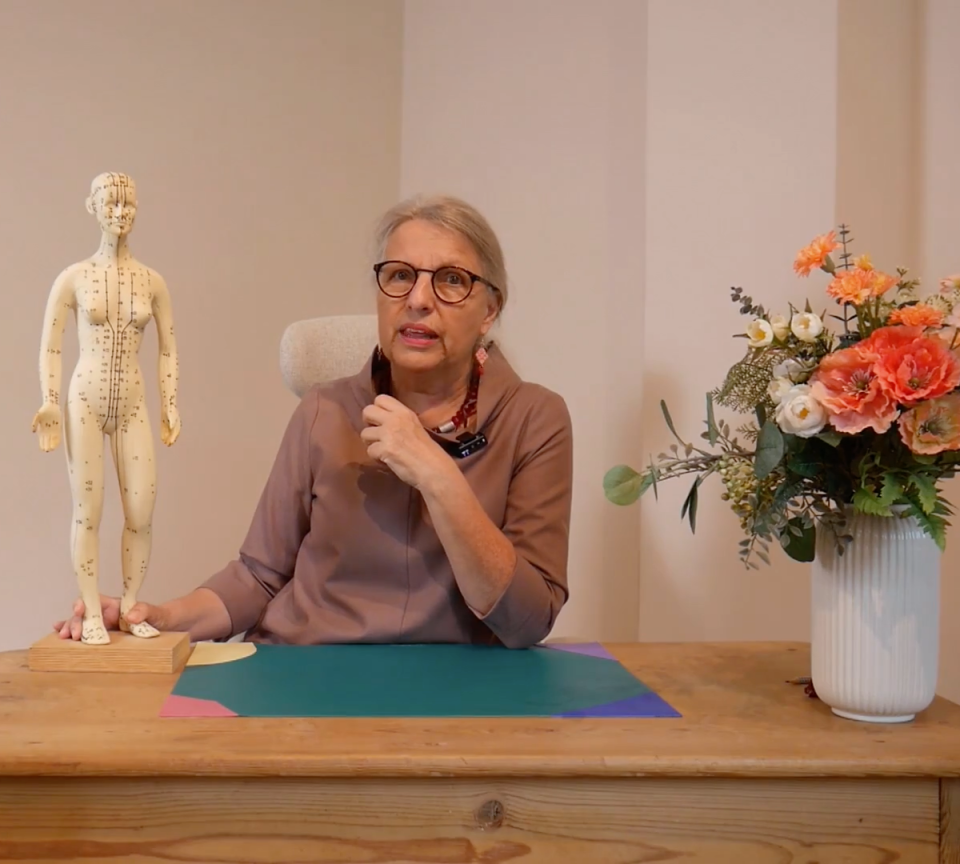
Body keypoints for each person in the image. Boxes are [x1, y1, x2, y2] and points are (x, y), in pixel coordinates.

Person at [55, 194, 573, 649]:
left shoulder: (535, 418)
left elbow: (527, 621)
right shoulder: (324, 411)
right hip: (304, 668)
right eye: (399, 276)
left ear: (489, 310)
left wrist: (437, 475)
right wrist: (158, 616)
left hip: (458, 696)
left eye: (451, 281)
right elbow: (258, 578)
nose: (418, 299)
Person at [36, 172, 181, 645]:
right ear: (92, 208)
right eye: (111, 205)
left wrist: (170, 404)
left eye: (128, 206)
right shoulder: (74, 278)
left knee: (141, 510)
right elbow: (52, 346)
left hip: (134, 402)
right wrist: (51, 402)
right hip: (85, 398)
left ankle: (130, 604)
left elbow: (167, 348)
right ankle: (93, 609)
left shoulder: (152, 281)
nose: (121, 214)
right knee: (89, 510)